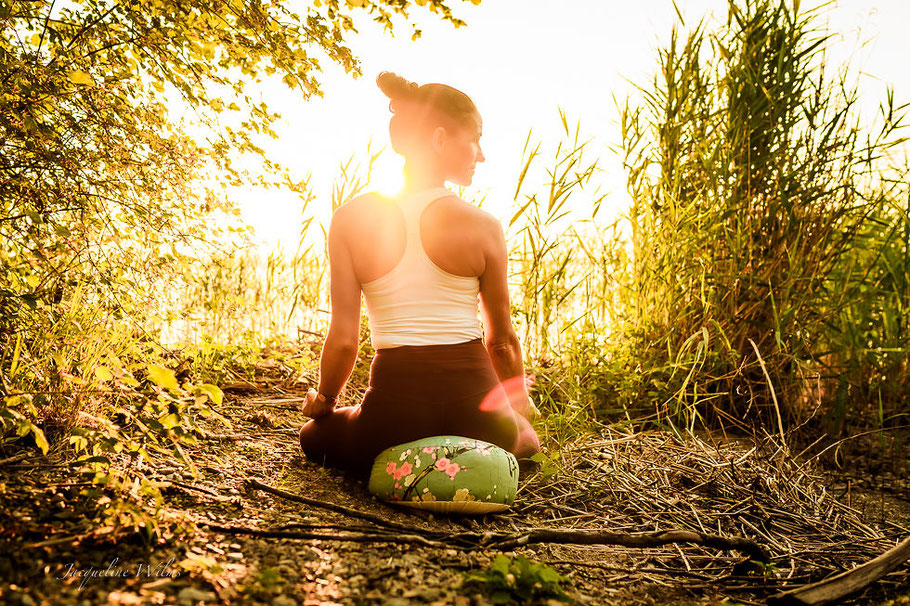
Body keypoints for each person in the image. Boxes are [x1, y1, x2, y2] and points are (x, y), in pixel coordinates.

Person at [298, 71, 540, 476]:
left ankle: (397, 452)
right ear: (440, 138)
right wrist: (518, 402)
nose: (481, 154)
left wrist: (324, 401)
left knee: (312, 435)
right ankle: (476, 450)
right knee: (525, 439)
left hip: (393, 419)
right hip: (480, 417)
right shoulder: (483, 225)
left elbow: (343, 340)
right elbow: (501, 343)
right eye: (474, 139)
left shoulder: (350, 219)